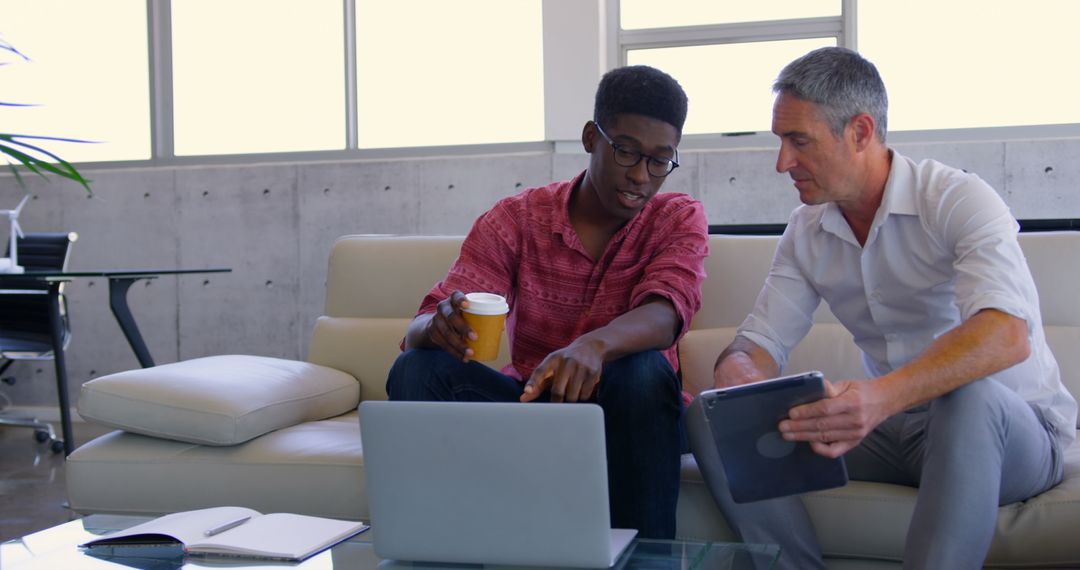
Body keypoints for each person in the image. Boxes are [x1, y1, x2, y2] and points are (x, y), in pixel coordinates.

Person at [687, 47, 1077, 569]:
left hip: (1015, 435)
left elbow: (1005, 334)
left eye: (798, 141)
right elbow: (757, 342)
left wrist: (879, 398)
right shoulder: (806, 232)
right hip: (896, 433)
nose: (782, 163)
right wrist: (741, 379)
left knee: (967, 401)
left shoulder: (959, 199)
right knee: (711, 415)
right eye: (780, 141)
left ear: (861, 132)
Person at [385, 65, 709, 539]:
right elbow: (422, 324)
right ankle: (442, 550)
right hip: (535, 408)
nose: (641, 176)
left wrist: (594, 347)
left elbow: (667, 311)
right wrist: (436, 328)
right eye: (626, 151)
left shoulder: (676, 216)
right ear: (590, 138)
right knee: (416, 368)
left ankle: (644, 561)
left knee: (639, 370)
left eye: (660, 160)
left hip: (635, 412)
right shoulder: (517, 218)